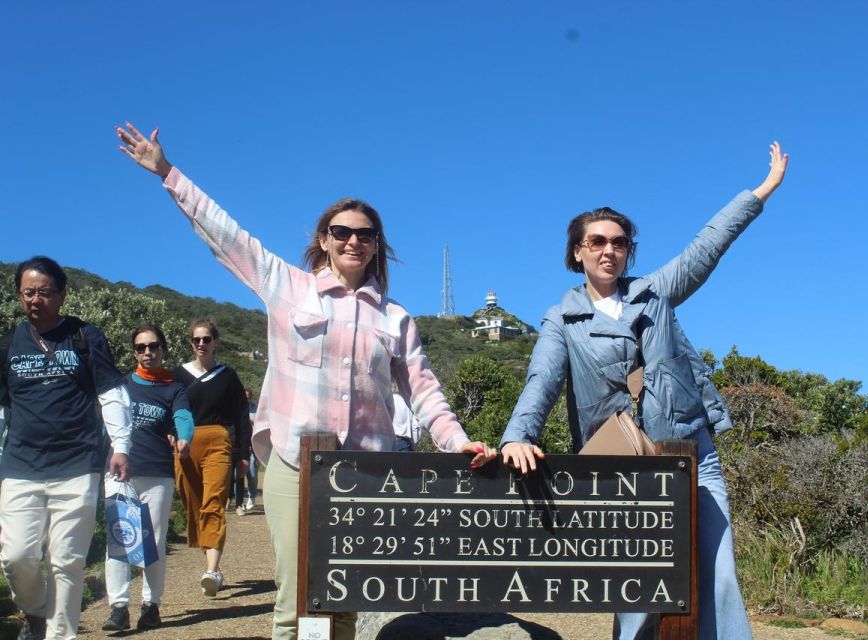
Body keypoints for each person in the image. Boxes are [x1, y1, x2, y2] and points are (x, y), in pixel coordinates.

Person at [116, 122, 498, 640]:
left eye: (365, 234)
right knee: (296, 600)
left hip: (368, 475)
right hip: (297, 466)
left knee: (345, 597)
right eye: (341, 232)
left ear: (376, 246)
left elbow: (424, 390)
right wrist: (167, 172)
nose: (353, 241)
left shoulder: (396, 319)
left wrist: (456, 443)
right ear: (324, 240)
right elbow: (227, 235)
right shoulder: (287, 287)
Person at [500, 143, 789, 640]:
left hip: (690, 450)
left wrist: (761, 191)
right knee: (636, 587)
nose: (608, 250)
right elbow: (542, 382)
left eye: (619, 242)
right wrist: (516, 436)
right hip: (626, 464)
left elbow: (706, 246)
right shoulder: (562, 320)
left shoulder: (654, 292)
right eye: (596, 241)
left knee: (717, 573)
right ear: (577, 251)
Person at [0, 256, 133, 640]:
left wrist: (120, 446)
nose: (35, 300)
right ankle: (36, 610)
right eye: (28, 293)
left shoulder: (85, 337)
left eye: (44, 292)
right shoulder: (9, 344)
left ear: (61, 295)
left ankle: (61, 635)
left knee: (67, 561)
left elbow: (111, 394)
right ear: (19, 296)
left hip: (77, 465)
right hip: (21, 466)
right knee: (17, 556)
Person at [101, 324, 195, 632]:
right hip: (120, 472)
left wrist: (184, 436)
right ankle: (118, 608)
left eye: (153, 346)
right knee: (119, 539)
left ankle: (151, 605)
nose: (147, 352)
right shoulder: (122, 385)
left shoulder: (174, 387)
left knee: (153, 541)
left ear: (163, 349)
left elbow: (183, 415)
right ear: (134, 352)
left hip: (157, 472)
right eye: (141, 347)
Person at [171, 318, 251, 597]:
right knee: (193, 504)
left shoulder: (227, 375)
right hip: (185, 445)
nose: (201, 344)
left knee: (213, 502)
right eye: (197, 340)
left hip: (218, 440)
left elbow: (242, 416)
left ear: (215, 341)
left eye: (206, 339)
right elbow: (167, 410)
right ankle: (211, 562)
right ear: (191, 343)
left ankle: (212, 570)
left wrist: (243, 455)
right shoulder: (177, 375)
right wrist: (169, 436)